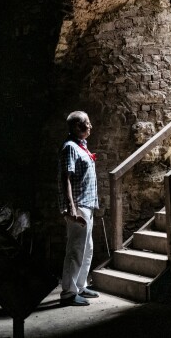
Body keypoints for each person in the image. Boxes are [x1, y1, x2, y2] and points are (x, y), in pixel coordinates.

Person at [57, 110, 101, 306]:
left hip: (87, 204)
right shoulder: (70, 148)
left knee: (87, 248)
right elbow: (65, 178)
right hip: (78, 205)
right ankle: (68, 293)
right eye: (87, 123)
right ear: (77, 126)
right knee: (75, 249)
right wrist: (71, 209)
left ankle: (80, 286)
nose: (90, 126)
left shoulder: (81, 146)